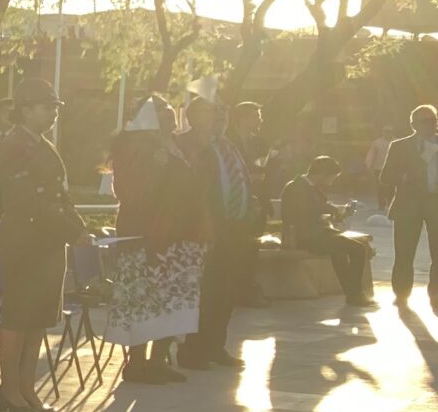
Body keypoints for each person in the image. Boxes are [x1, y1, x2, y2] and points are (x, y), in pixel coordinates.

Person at [0, 75, 87, 412]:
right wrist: (70, 231)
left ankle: (27, 388)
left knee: (38, 319)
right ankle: (10, 390)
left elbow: (60, 194)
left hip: (47, 241)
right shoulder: (15, 144)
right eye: (47, 107)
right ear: (26, 109)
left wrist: (77, 226)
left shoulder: (41, 142)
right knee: (18, 316)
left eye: (55, 107)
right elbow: (28, 202)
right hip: (26, 240)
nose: (54, 113)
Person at [105, 96, 202, 384]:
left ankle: (159, 359)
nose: (171, 115)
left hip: (177, 235)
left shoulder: (175, 145)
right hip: (145, 233)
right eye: (163, 111)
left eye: (171, 111)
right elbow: (129, 188)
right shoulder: (134, 145)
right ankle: (137, 362)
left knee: (170, 298)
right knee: (143, 297)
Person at [179, 94, 261, 370]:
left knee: (226, 291)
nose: (220, 121)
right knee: (207, 292)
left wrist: (250, 208)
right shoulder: (192, 145)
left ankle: (216, 346)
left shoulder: (229, 146)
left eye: (223, 116)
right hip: (209, 227)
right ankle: (194, 350)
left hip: (235, 228)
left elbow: (240, 177)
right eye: (214, 115)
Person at [280, 155, 374, 308]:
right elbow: (304, 212)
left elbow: (316, 212)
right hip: (303, 236)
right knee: (357, 249)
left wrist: (338, 213)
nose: (332, 181)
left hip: (318, 233)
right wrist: (330, 208)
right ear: (322, 173)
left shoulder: (312, 188)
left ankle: (353, 294)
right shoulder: (296, 187)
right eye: (331, 177)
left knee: (344, 249)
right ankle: (354, 293)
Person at [380, 103, 438, 308]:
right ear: (413, 124)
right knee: (404, 253)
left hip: (435, 201)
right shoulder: (399, 146)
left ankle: (436, 296)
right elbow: (385, 176)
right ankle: (402, 293)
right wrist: (406, 177)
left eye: (434, 120)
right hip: (408, 203)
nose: (432, 125)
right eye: (426, 121)